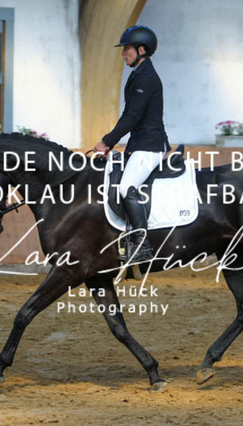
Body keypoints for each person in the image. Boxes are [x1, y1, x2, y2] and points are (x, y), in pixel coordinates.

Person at [93, 25, 170, 262]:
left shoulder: (146, 77)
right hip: (140, 144)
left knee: (126, 188)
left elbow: (133, 117)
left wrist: (107, 141)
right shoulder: (139, 73)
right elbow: (129, 115)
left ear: (141, 50)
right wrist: (112, 144)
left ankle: (142, 245)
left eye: (127, 48)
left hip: (150, 146)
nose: (123, 53)